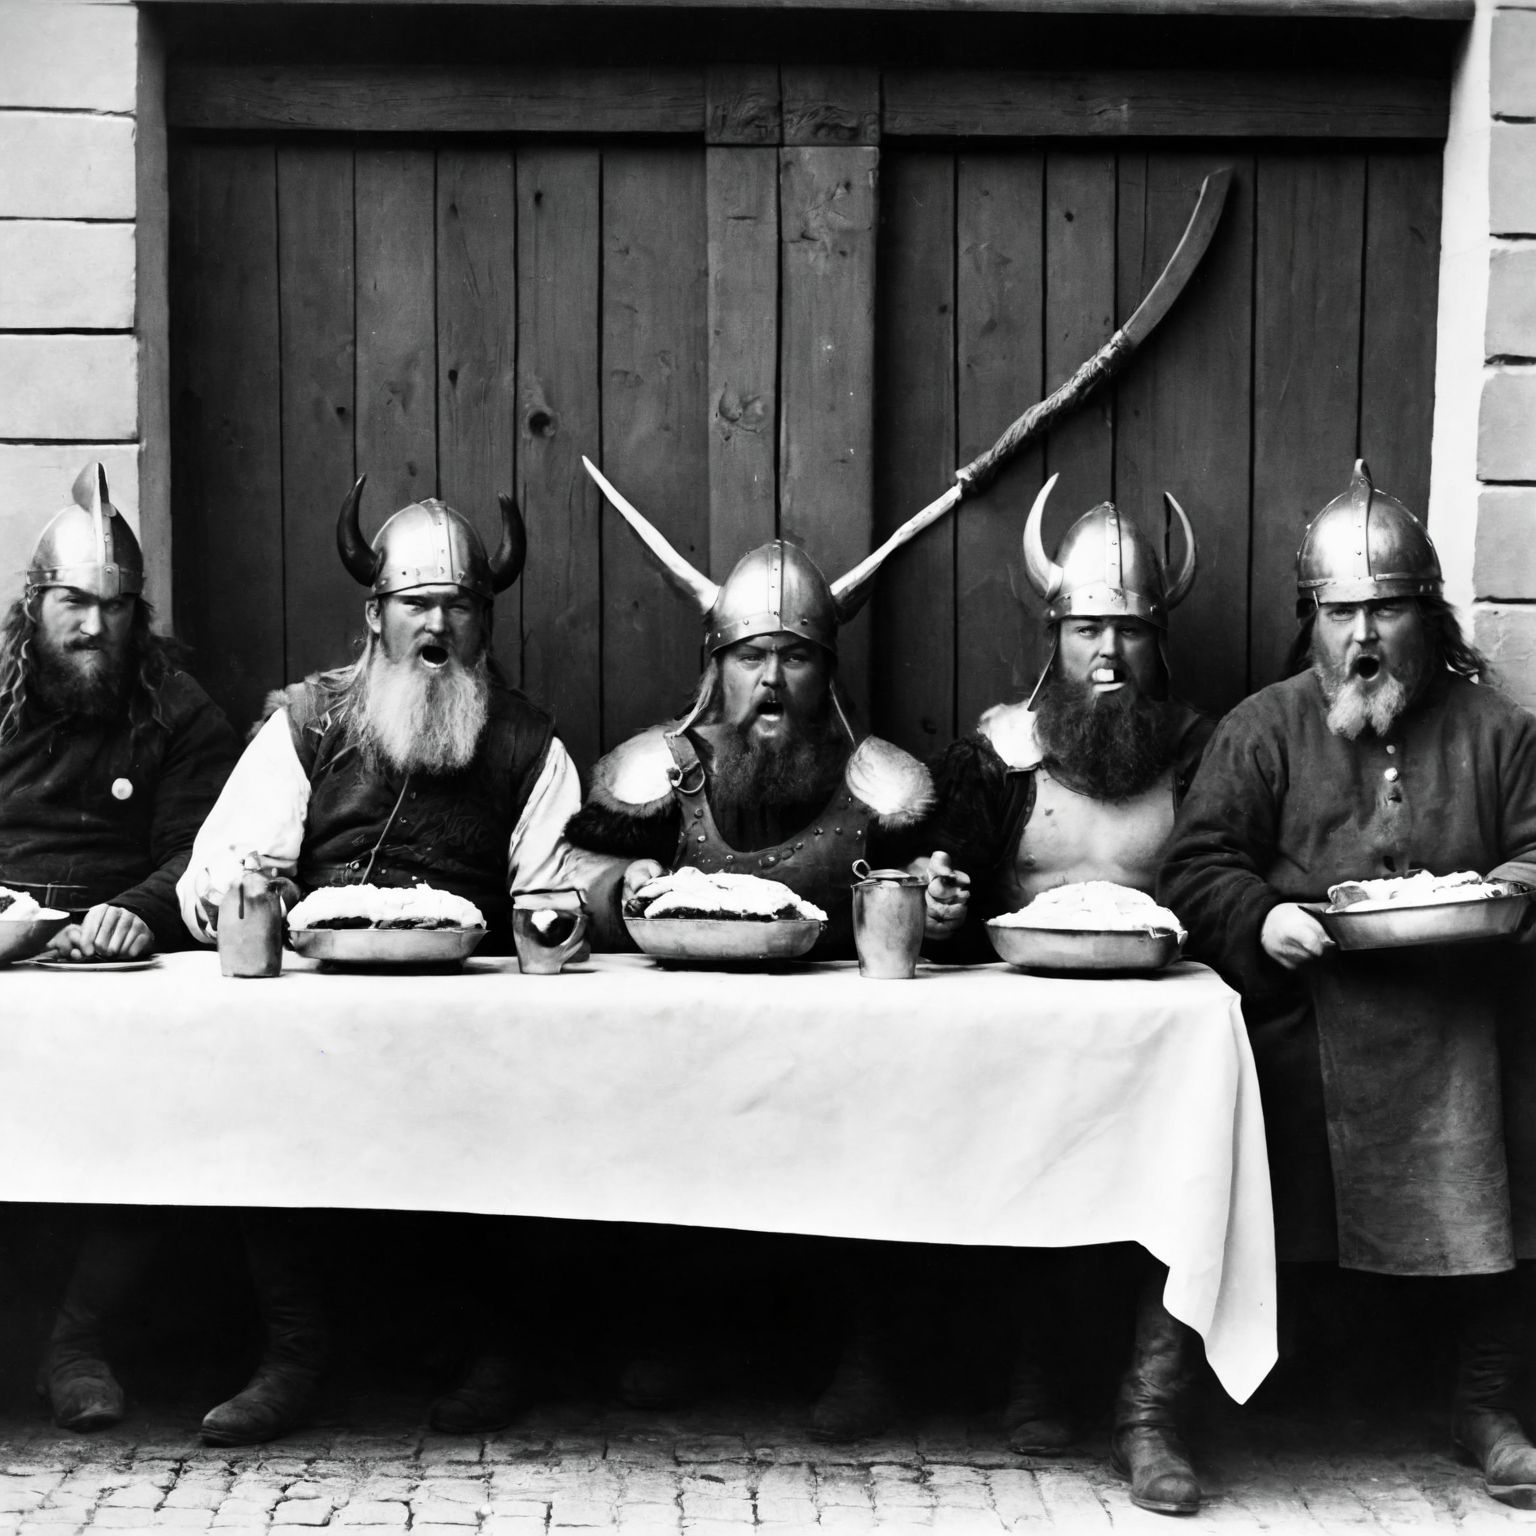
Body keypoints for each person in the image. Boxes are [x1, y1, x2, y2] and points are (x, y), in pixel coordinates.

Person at [177, 478, 600, 1445]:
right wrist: (250, 895)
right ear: (376, 615)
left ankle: (496, 1350)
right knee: (261, 1098)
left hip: (469, 1014)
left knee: (525, 1101)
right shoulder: (309, 722)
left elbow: (552, 901)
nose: (437, 625)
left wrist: (549, 928)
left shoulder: (530, 745)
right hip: (316, 1010)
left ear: (485, 622)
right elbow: (214, 878)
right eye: (417, 604)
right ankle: (293, 1356)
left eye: (460, 605)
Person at [1160, 460, 1536, 1511]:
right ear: (1312, 625)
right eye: (1339, 614)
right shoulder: (1263, 728)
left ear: (1431, 619)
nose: (1362, 638)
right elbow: (1197, 867)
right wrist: (1259, 918)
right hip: (1305, 1017)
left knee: (1521, 1109)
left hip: (1462, 1018)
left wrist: (1508, 895)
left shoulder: (1498, 732)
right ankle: (1185, 1406)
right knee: (1220, 1136)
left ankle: (1486, 1405)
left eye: (1386, 611)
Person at [564, 459, 969, 1420]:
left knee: (880, 1125)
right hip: (688, 1047)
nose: (773, 681)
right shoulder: (658, 768)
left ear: (828, 670)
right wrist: (625, 884)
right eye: (752, 657)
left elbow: (927, 891)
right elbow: (570, 871)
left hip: (838, 1056)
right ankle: (688, 1337)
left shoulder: (881, 784)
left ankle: (865, 1354)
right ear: (718, 667)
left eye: (795, 658)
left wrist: (940, 904)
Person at [921, 474, 1214, 1515]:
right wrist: (942, 903)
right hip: (1026, 1030)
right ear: (1055, 635)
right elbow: (946, 893)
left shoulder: (1200, 752)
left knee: (1189, 1178)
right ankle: (1036, 1369)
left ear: (1157, 641)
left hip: (1162, 1031)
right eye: (1090, 628)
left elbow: (1224, 877)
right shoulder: (995, 758)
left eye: (1130, 631)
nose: (1109, 653)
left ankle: (1151, 1412)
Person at [0, 463, 239, 1430]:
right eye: (75, 603)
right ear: (35, 603)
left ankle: (75, 1343)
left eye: (115, 607)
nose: (95, 627)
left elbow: (203, 853)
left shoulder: (181, 712)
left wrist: (137, 911)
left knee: (161, 1113)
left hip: (121, 970)